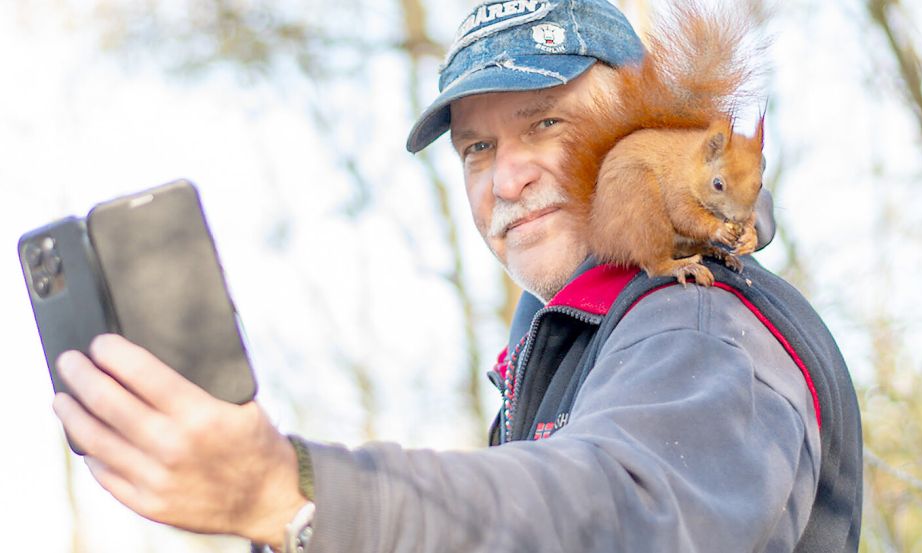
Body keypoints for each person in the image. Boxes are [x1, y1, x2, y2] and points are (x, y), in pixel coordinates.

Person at [52, 1, 862, 552]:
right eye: (476, 148)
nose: (503, 179)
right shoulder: (568, 348)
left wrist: (291, 490)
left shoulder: (697, 324)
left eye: (545, 122)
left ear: (639, 132)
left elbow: (617, 514)